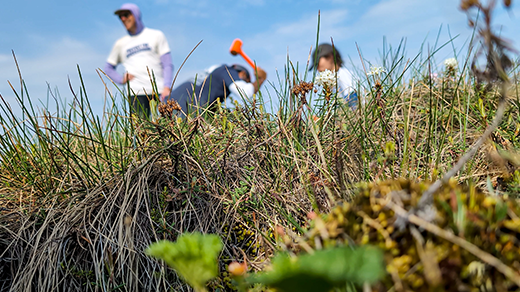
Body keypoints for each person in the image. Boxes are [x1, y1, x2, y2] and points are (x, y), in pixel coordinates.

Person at [104, 3, 173, 118]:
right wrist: (121, 79)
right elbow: (108, 68)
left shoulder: (156, 35)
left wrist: (167, 86)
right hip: (135, 93)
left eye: (126, 15)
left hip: (159, 90)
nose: (123, 19)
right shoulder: (120, 43)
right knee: (142, 130)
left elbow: (167, 64)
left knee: (165, 125)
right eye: (120, 17)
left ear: (135, 15)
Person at [169, 64, 266, 116]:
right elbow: (245, 93)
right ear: (243, 74)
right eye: (246, 81)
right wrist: (260, 79)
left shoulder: (213, 76)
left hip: (170, 103)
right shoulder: (227, 71)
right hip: (184, 107)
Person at [309, 43, 357, 107]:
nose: (317, 68)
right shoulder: (336, 80)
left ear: (330, 57)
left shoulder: (343, 75)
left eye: (317, 63)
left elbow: (353, 103)